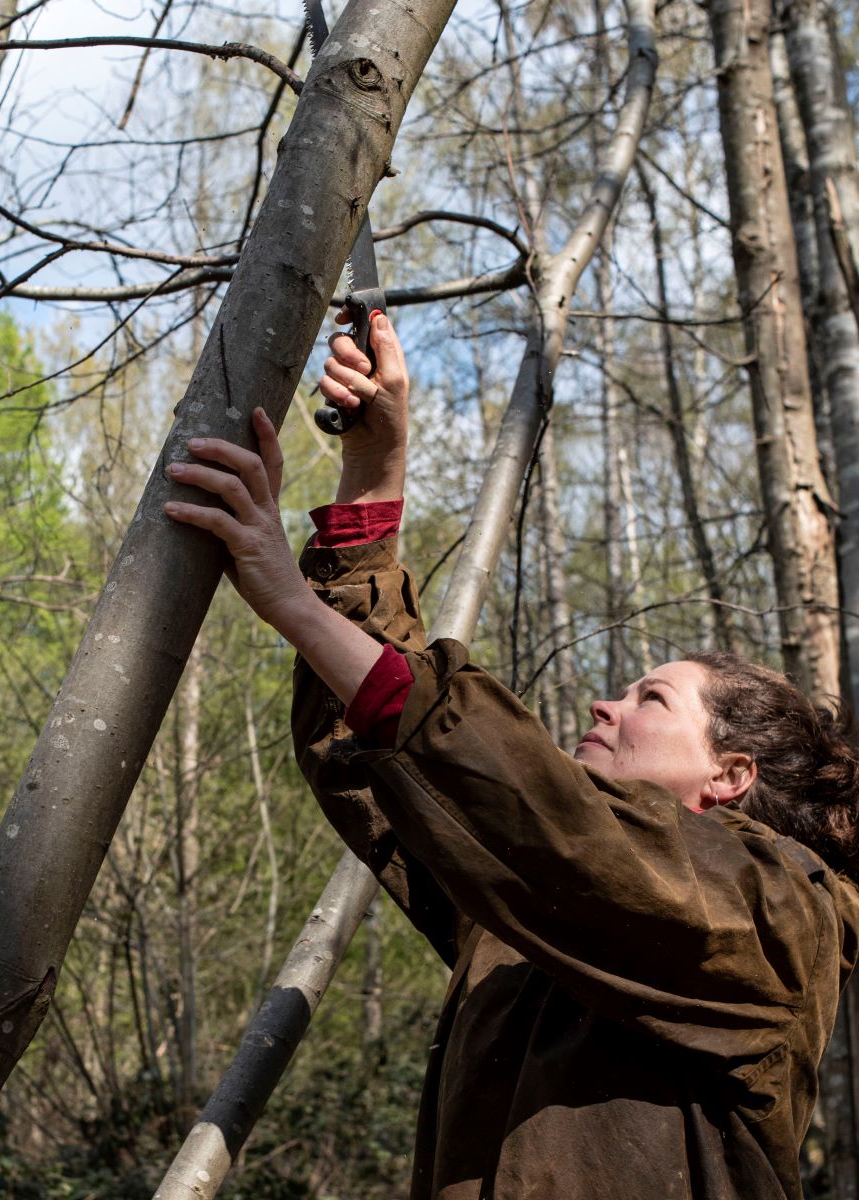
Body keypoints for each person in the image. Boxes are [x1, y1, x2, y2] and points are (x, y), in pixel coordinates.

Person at [163, 311, 859, 1199]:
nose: (609, 702)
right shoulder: (531, 916)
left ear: (730, 777)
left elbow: (539, 809)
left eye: (652, 699)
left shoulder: (784, 916)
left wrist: (292, 602)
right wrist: (374, 472)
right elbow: (385, 756)